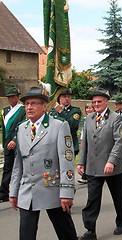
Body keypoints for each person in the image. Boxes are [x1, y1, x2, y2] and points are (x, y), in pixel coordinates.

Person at [9, 86, 77, 240]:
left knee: (65, 232)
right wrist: (14, 191)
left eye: (34, 103)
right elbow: (18, 163)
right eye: (26, 104)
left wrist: (66, 192)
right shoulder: (21, 128)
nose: (29, 107)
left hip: (52, 188)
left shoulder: (59, 125)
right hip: (27, 190)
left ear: (44, 106)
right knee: (26, 234)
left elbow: (66, 160)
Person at [77, 87, 122, 240]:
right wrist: (81, 162)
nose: (96, 104)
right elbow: (85, 142)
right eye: (94, 102)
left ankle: (121, 222)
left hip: (112, 167)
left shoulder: (116, 118)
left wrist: (111, 161)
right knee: (92, 199)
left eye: (99, 101)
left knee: (118, 197)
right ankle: (90, 230)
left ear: (106, 102)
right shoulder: (89, 119)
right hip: (93, 166)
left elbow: (120, 141)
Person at [0, 86, 26, 203]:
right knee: (7, 168)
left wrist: (15, 140)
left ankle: (19, 191)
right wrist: (4, 143)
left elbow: (22, 126)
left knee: (19, 168)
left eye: (13, 97)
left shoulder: (22, 110)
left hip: (18, 143)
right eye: (9, 97)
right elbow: (4, 129)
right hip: (7, 144)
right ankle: (4, 192)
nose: (10, 99)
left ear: (17, 97)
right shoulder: (5, 111)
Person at [51, 88, 82, 156]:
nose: (67, 98)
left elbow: (72, 125)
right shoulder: (53, 112)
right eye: (64, 96)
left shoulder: (75, 111)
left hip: (69, 143)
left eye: (69, 96)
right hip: (55, 144)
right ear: (59, 97)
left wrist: (61, 112)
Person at [78, 103, 95, 184]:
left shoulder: (96, 118)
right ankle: (84, 175)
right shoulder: (85, 119)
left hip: (92, 140)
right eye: (87, 108)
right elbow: (82, 130)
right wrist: (81, 139)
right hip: (85, 140)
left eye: (90, 108)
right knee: (84, 157)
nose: (88, 110)